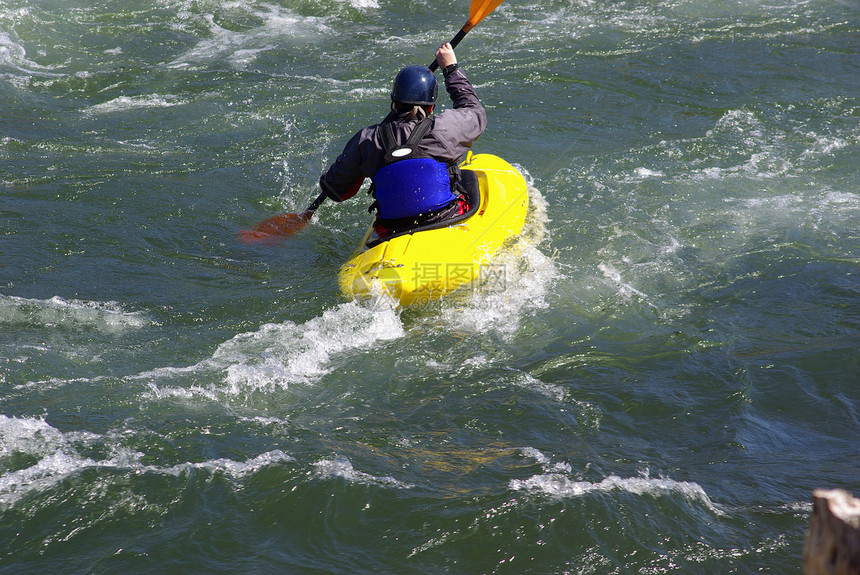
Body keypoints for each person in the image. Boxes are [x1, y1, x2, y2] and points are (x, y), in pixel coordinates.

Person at [318, 43, 487, 237]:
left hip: (391, 231)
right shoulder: (444, 130)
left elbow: (338, 191)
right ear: (431, 107)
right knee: (469, 180)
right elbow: (474, 112)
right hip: (445, 219)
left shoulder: (367, 139)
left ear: (394, 103)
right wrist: (451, 69)